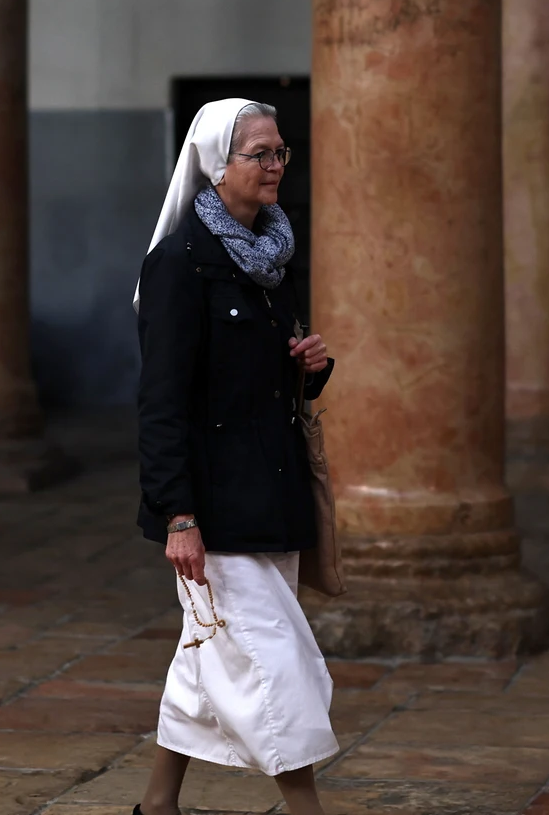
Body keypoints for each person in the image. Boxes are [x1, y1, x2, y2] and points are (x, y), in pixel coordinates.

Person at [130, 98, 337, 815]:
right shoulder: (180, 266)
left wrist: (308, 365)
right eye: (261, 154)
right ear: (219, 165)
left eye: (282, 152)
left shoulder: (269, 253)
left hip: (270, 496)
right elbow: (161, 404)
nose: (277, 165)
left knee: (205, 655)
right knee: (280, 665)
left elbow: (256, 377)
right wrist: (177, 514)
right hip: (215, 510)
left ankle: (157, 804)